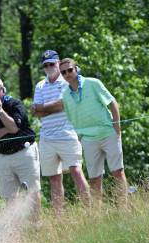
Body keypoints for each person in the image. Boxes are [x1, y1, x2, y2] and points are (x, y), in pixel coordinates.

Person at [44, 58, 128, 204]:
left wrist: (117, 127)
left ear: (76, 69)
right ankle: (97, 213)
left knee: (117, 172)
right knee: (95, 178)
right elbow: (71, 118)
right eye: (63, 72)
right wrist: (81, 137)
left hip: (108, 133)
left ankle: (124, 208)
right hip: (88, 139)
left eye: (70, 70)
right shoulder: (65, 94)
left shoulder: (93, 83)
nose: (67, 74)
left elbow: (112, 103)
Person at [30, 50, 90, 213]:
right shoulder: (40, 85)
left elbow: (63, 104)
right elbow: (36, 113)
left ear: (58, 63)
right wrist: (50, 107)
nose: (49, 67)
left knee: (76, 171)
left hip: (67, 134)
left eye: (52, 63)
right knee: (54, 179)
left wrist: (43, 107)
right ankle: (59, 216)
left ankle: (90, 212)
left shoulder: (66, 82)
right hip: (47, 138)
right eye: (46, 65)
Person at [0, 75, 41, 219]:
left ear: (3, 90)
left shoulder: (15, 104)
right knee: (9, 196)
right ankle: (14, 229)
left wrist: (1, 112)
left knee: (32, 191)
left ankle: (36, 225)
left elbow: (14, 128)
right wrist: (6, 128)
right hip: (3, 157)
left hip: (24, 151)